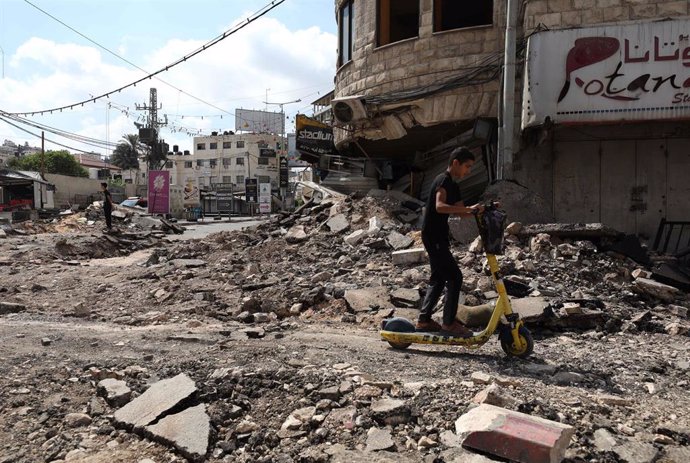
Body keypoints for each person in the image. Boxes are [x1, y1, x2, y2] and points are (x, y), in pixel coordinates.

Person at [416, 147, 482, 337]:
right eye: (466, 167)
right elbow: (440, 206)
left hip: (439, 236)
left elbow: (461, 211)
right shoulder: (443, 180)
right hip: (433, 235)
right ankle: (448, 324)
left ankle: (424, 320)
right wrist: (469, 209)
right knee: (455, 276)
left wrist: (481, 209)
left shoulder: (455, 186)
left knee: (438, 278)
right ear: (455, 163)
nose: (468, 171)